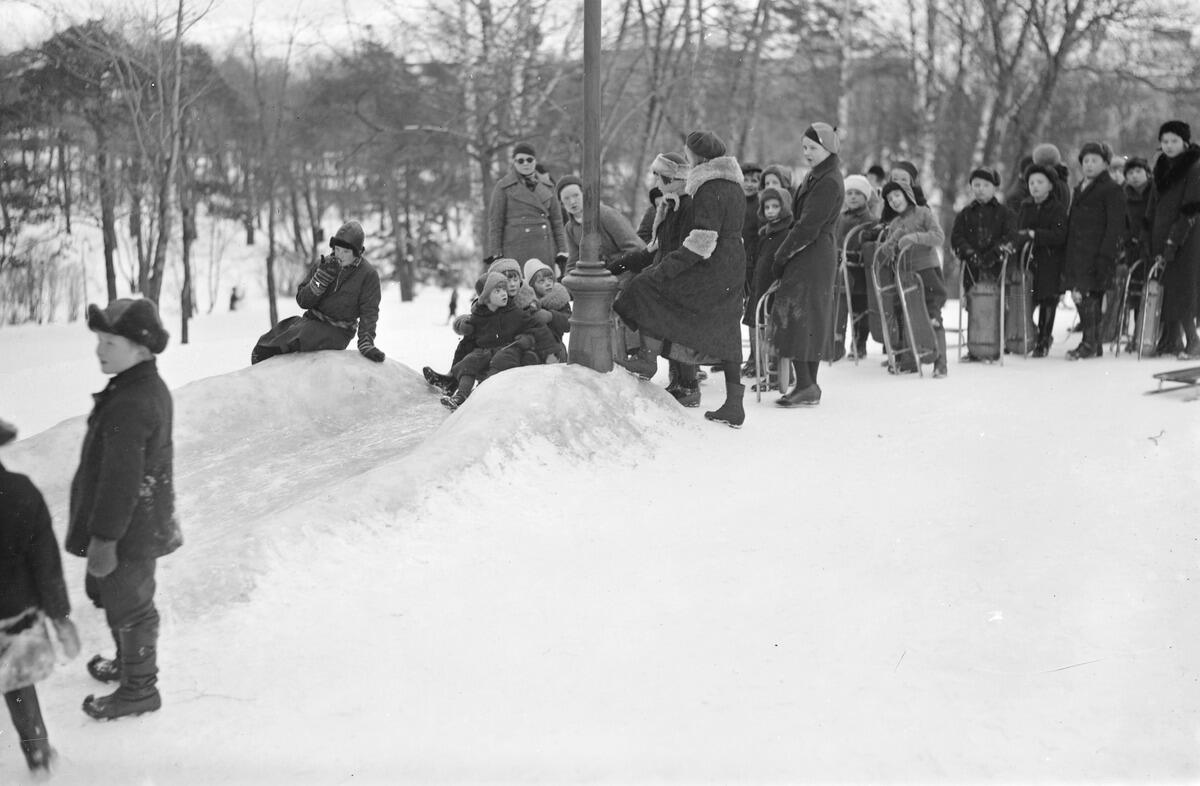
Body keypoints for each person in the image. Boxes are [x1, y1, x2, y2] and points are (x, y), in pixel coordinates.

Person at [67, 298, 182, 720]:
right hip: (133, 524)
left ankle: (139, 688)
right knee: (120, 600)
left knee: (132, 606)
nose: (99, 350)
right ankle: (127, 663)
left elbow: (121, 482)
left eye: (110, 342)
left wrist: (105, 540)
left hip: (129, 530)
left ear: (141, 347)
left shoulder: (133, 401)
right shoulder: (134, 386)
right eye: (99, 340)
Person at [614, 130, 747, 427]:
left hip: (712, 265)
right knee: (727, 331)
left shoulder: (709, 187)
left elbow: (702, 240)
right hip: (733, 263)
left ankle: (649, 358)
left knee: (651, 289)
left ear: (697, 156)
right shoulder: (733, 185)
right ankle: (734, 404)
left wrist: (666, 269)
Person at [1, 418, 80, 773]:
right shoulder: (18, 492)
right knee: (18, 685)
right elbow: (45, 562)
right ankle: (37, 754)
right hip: (13, 617)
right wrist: (59, 616)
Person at [770, 122, 846, 405]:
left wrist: (781, 255)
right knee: (806, 317)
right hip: (812, 252)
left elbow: (807, 227)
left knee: (801, 317)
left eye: (812, 148)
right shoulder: (819, 176)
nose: (807, 153)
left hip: (812, 254)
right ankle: (808, 385)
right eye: (804, 147)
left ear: (828, 148)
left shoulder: (827, 181)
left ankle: (806, 385)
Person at [250, 220, 385, 365]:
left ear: (357, 253)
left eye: (346, 251)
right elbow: (303, 302)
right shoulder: (324, 264)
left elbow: (369, 312)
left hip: (338, 331)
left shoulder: (368, 275)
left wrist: (366, 342)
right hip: (311, 320)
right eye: (337, 249)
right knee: (280, 332)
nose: (340, 255)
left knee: (303, 334)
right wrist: (319, 280)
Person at [440, 272, 559, 411]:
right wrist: (463, 328)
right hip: (485, 351)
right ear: (486, 298)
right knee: (470, 361)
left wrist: (551, 353)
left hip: (509, 348)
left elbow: (538, 328)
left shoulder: (514, 312)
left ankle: (480, 394)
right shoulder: (479, 316)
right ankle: (461, 395)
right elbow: (467, 339)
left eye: (504, 290)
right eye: (498, 291)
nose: (504, 293)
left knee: (500, 360)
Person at [876, 179, 949, 376]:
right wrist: (893, 240)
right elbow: (886, 252)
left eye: (897, 195)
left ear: (907, 195)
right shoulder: (895, 223)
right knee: (910, 316)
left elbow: (938, 237)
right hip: (906, 277)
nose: (893, 201)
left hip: (927, 272)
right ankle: (911, 359)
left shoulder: (923, 213)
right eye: (890, 199)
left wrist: (915, 237)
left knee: (932, 315)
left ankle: (940, 362)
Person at [1064, 141, 1125, 360]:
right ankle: (1093, 341)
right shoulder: (1080, 188)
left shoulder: (1111, 189)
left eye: (1094, 161)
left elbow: (1115, 225)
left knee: (1089, 295)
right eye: (1085, 161)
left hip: (1097, 251)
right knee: (1081, 294)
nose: (1089, 165)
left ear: (1106, 163)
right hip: (1078, 251)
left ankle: (1089, 342)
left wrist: (1106, 253)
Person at [1144, 120, 1200, 358]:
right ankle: (1170, 340)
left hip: (1186, 237)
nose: (1168, 146)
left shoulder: (1195, 167)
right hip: (1160, 232)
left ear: (1185, 142)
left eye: (1174, 141)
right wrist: (1147, 232)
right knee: (1164, 285)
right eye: (1164, 141)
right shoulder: (1161, 166)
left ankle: (1194, 341)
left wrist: (1174, 241)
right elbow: (1152, 204)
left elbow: (1190, 208)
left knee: (1183, 288)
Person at [487, 143, 568, 275]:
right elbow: (496, 223)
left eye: (529, 160)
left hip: (544, 248)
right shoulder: (503, 187)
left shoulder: (548, 186)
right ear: (514, 162)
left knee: (543, 288)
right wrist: (496, 254)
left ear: (535, 161)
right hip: (515, 248)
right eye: (520, 160)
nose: (526, 164)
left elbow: (557, 222)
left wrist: (562, 250)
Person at [1015, 165, 1069, 357]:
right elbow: (1018, 230)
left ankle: (1044, 340)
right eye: (1031, 183)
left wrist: (1035, 235)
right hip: (1029, 260)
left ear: (1051, 186)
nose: (1035, 186)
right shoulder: (1025, 206)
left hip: (1050, 261)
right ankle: (1031, 334)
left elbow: (1060, 235)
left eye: (1040, 182)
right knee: (1027, 300)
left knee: (1048, 301)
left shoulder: (1057, 208)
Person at [742, 185, 794, 380]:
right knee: (762, 333)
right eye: (767, 207)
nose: (771, 211)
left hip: (775, 290)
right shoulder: (765, 233)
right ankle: (766, 371)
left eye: (775, 206)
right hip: (760, 288)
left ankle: (780, 375)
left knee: (776, 333)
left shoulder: (788, 232)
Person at [951, 167, 1019, 306]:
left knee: (998, 305)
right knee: (974, 304)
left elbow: (1011, 236)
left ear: (994, 188)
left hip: (999, 268)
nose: (981, 189)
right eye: (976, 185)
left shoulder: (1005, 213)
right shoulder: (964, 214)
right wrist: (969, 252)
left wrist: (996, 252)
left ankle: (998, 327)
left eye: (986, 185)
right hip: (972, 268)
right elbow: (956, 238)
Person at [555, 175, 644, 274]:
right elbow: (573, 263)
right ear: (562, 204)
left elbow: (635, 248)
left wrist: (614, 268)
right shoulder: (570, 228)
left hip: (627, 271)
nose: (572, 202)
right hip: (596, 276)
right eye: (566, 199)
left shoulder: (606, 215)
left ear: (584, 195)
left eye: (576, 195)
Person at [834, 174, 878, 360]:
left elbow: (870, 245)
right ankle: (836, 344)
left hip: (859, 271)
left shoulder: (870, 219)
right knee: (840, 308)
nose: (852, 197)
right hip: (841, 270)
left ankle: (859, 343)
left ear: (865, 197)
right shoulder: (840, 218)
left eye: (857, 194)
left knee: (861, 309)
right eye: (849, 193)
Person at [740, 162, 763, 299]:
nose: (749, 184)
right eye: (745, 180)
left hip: (751, 257)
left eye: (754, 181)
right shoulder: (736, 202)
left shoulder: (760, 205)